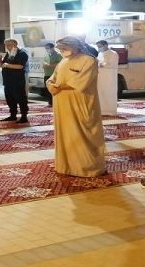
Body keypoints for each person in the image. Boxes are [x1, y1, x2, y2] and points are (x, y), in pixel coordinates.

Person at [46, 36, 106, 177]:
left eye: (64, 48)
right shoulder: (63, 61)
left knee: (82, 134)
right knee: (66, 134)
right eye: (60, 49)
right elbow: (52, 78)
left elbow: (81, 82)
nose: (62, 51)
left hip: (80, 104)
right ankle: (66, 166)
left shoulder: (89, 60)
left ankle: (86, 167)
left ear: (75, 46)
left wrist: (60, 86)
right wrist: (50, 85)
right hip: (62, 103)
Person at [0, 38, 29, 123]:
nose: (7, 47)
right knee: (10, 99)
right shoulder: (9, 54)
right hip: (8, 81)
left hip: (17, 81)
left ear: (15, 44)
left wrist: (7, 65)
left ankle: (24, 116)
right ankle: (13, 115)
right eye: (6, 45)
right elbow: (2, 65)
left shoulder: (22, 53)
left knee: (21, 98)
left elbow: (20, 66)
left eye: (9, 45)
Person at [95, 40, 119, 116]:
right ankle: (101, 110)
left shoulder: (113, 54)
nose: (99, 48)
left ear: (105, 45)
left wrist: (100, 64)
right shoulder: (100, 54)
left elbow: (111, 64)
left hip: (109, 77)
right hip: (100, 77)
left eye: (100, 46)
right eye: (98, 47)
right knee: (101, 92)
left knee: (109, 92)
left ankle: (110, 111)